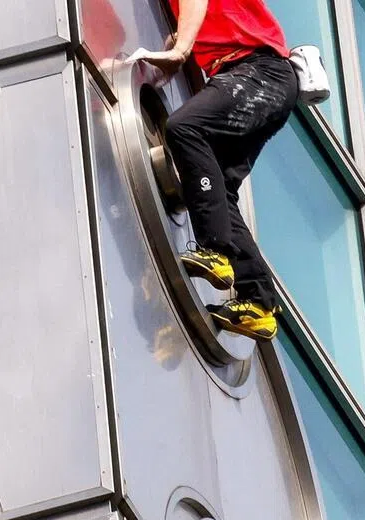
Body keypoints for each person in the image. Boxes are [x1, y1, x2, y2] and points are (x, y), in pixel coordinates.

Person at [129, 0, 298, 341]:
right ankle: (258, 303)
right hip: (262, 79)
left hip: (258, 71)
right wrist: (178, 46)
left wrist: (180, 50)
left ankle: (215, 250)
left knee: (184, 128)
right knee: (221, 189)